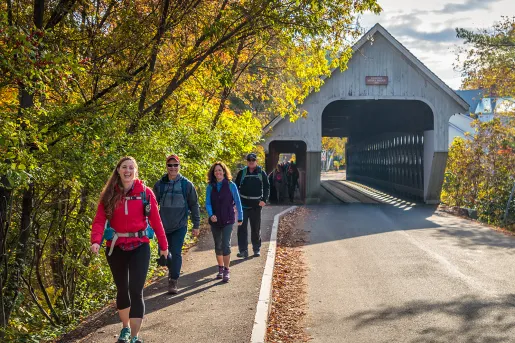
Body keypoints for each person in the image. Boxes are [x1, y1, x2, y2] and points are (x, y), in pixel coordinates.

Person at [90, 156, 169, 343]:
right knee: (122, 289)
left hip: (140, 246)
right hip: (116, 247)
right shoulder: (109, 193)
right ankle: (125, 328)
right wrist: (96, 241)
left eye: (131, 167)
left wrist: (164, 246)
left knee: (136, 290)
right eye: (124, 167)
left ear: (136, 171)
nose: (127, 171)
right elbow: (100, 219)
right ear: (118, 170)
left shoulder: (145, 193)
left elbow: (156, 221)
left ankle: (134, 336)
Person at [153, 154, 200, 295]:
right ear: (166, 166)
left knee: (177, 252)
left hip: (180, 225)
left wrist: (196, 225)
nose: (173, 168)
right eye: (170, 165)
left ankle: (173, 280)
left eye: (175, 165)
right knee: (165, 254)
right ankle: (172, 270)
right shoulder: (160, 185)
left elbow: (194, 204)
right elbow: (152, 205)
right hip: (163, 226)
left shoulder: (186, 185)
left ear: (179, 166)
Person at [205, 162, 243, 282]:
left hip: (228, 219)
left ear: (224, 172)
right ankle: (220, 268)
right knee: (218, 245)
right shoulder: (210, 187)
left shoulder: (231, 185)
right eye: (216, 171)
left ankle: (227, 269)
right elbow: (208, 203)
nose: (218, 172)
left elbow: (237, 202)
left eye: (220, 170)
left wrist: (240, 217)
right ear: (213, 173)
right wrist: (211, 215)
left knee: (226, 244)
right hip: (215, 220)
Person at [234, 153, 270, 258]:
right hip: (243, 206)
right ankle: (243, 251)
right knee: (241, 229)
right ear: (247, 161)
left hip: (256, 206)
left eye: (253, 160)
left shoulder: (261, 172)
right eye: (249, 160)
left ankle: (256, 249)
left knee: (255, 228)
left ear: (256, 161)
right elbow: (235, 188)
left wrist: (264, 200)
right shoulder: (242, 173)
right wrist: (236, 202)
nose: (251, 162)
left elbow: (267, 187)